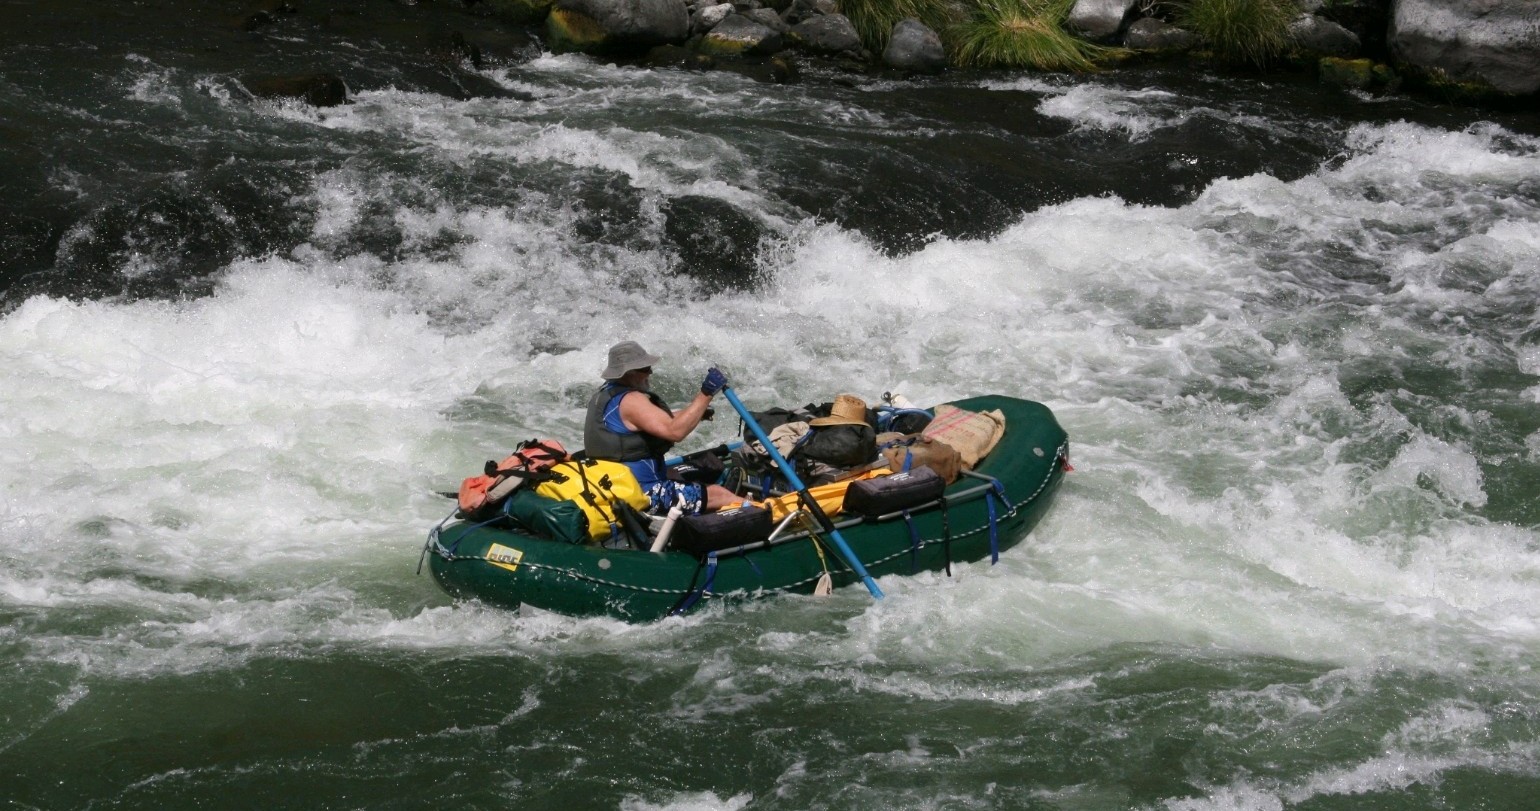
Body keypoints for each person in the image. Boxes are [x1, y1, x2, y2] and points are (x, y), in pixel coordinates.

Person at [583, 340, 740, 515]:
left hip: (616, 487)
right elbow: (675, 431)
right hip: (643, 493)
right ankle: (770, 514)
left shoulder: (605, 395)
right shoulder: (631, 400)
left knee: (699, 472)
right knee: (720, 494)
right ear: (628, 373)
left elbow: (658, 421)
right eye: (644, 368)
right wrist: (706, 393)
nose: (650, 371)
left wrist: (696, 412)